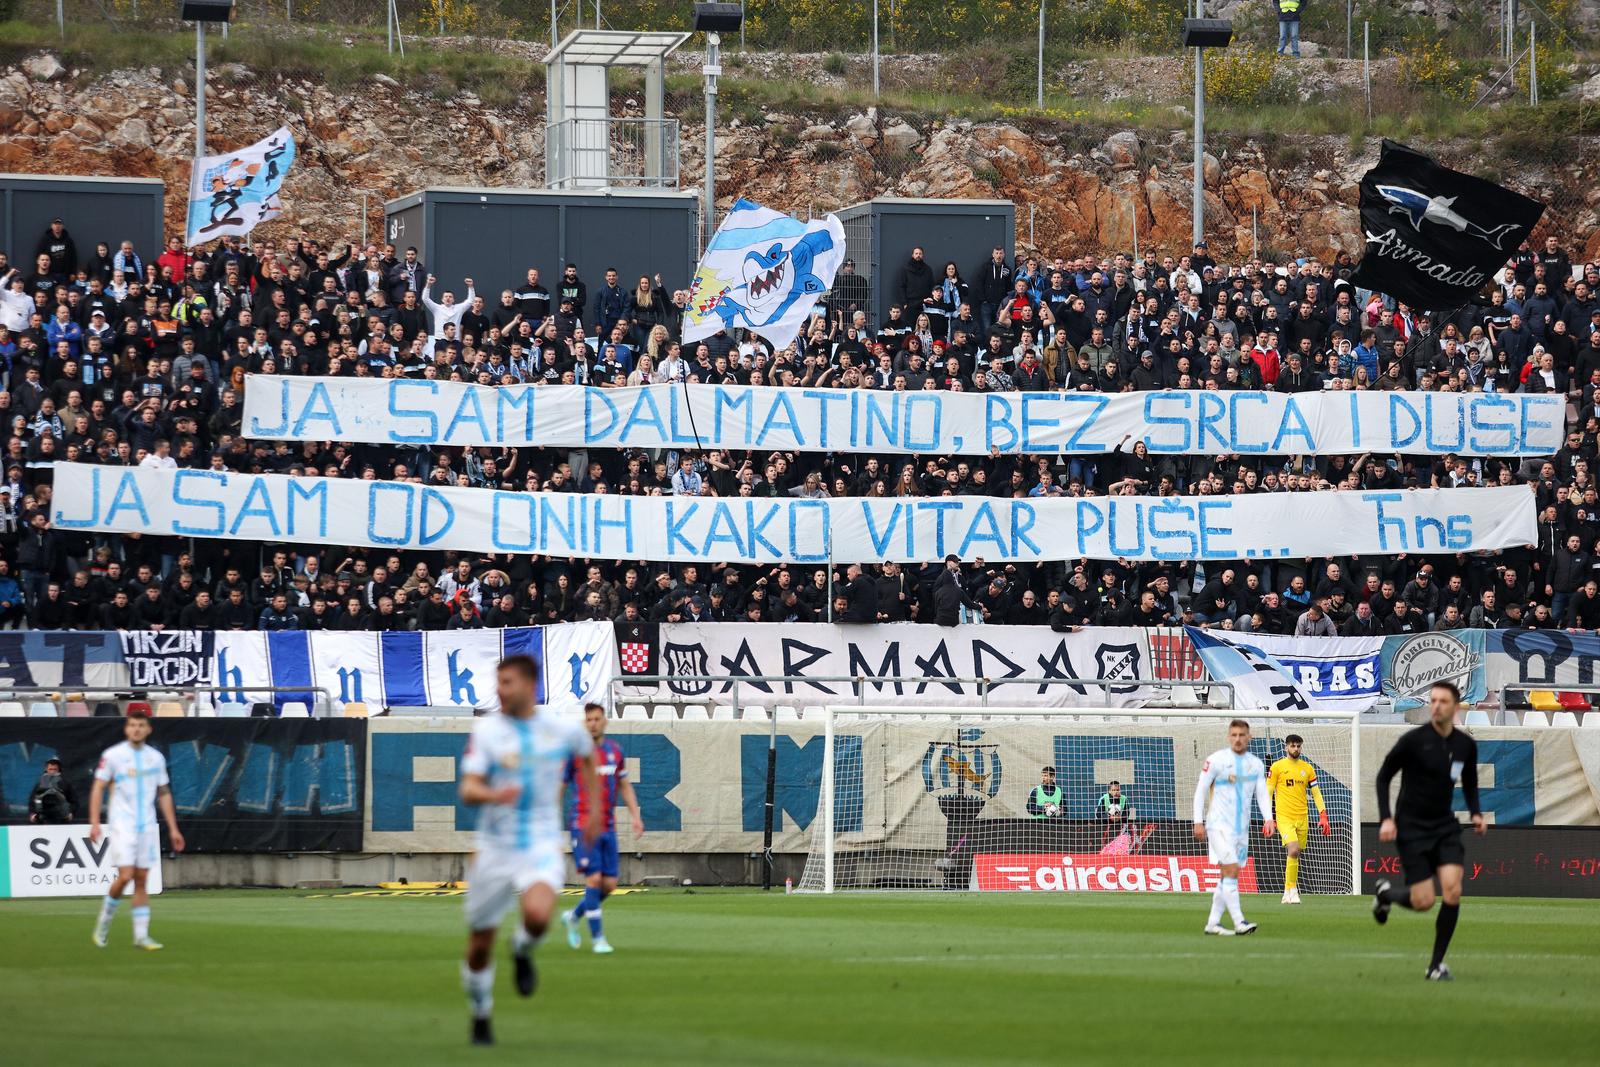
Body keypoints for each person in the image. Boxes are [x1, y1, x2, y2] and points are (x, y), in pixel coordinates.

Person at [458, 655, 602, 1047]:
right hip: (494, 847)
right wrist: (493, 793)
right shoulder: (487, 731)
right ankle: (481, 1013)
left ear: (530, 686)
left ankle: (521, 948)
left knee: (538, 916)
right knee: (479, 945)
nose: (499, 691)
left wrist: (594, 810)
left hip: (539, 841)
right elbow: (468, 789)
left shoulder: (558, 728)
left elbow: (587, 756)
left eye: (507, 683)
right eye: (498, 682)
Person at [1372, 680, 1485, 981]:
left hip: (1445, 827)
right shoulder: (1414, 740)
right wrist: (1386, 818)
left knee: (1453, 889)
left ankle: (1435, 965)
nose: (1435, 706)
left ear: (1456, 706)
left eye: (1442, 701)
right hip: (1412, 827)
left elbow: (1470, 783)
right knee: (1423, 901)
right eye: (1432, 700)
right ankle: (1386, 895)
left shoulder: (1464, 745)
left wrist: (1475, 813)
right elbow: (1384, 777)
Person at [90, 710, 186, 950]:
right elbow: (98, 787)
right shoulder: (113, 756)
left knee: (141, 879)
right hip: (123, 825)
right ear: (126, 728)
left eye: (141, 725)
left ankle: (141, 936)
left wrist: (173, 829)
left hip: (146, 825)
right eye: (132, 725)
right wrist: (94, 823)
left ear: (148, 729)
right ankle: (103, 923)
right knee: (125, 876)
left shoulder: (156, 758)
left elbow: (163, 793)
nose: (136, 729)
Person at [562, 701, 644, 954]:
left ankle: (574, 916)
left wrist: (635, 816)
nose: (593, 724)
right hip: (583, 825)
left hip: (608, 826)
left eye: (597, 719)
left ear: (605, 721)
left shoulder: (615, 752)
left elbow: (625, 785)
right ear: (584, 723)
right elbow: (561, 786)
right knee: (594, 879)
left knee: (609, 885)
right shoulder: (575, 753)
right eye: (589, 720)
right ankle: (598, 939)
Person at [1192, 719, 1275, 936]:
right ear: (1229, 737)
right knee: (1230, 869)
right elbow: (1200, 790)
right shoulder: (1216, 760)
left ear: (1249, 737)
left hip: (1241, 829)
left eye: (1242, 735)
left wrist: (1269, 818)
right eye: (1234, 735)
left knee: (1229, 875)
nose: (1238, 739)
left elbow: (1262, 793)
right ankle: (1240, 922)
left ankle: (1212, 923)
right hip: (1218, 825)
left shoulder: (1256, 764)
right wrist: (1197, 821)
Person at [1267, 734, 1330, 904]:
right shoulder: (1277, 767)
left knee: (1295, 854)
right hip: (1284, 817)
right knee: (1293, 849)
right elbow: (1268, 792)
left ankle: (1288, 892)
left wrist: (1323, 815)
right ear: (1286, 747)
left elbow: (1316, 793)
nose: (1296, 749)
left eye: (1298, 746)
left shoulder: (1307, 768)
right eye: (1293, 746)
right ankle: (1293, 889)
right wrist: (1268, 818)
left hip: (1303, 817)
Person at [29, 756, 76, 823]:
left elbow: (74, 801)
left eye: (55, 769)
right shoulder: (39, 785)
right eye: (50, 769)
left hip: (61, 821)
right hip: (43, 820)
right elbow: (32, 801)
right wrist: (32, 814)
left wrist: (70, 813)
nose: (52, 772)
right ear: (46, 769)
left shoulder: (65, 784)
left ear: (59, 769)